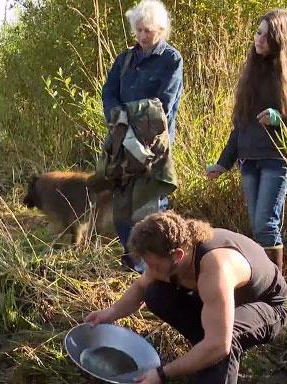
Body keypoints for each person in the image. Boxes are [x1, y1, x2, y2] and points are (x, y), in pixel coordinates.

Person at [85, 211, 287, 384]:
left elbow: (219, 345)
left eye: (154, 265)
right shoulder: (173, 258)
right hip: (221, 304)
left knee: (223, 344)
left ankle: (210, 373)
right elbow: (141, 286)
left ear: (177, 255)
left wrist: (163, 373)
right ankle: (204, 361)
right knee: (155, 292)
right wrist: (111, 313)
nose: (150, 269)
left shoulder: (215, 267)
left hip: (267, 306)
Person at [205, 9, 287, 271]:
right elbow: (240, 124)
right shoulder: (253, 70)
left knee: (265, 224)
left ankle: (274, 293)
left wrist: (280, 117)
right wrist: (223, 163)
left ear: (280, 39)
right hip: (249, 158)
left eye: (266, 36)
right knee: (257, 224)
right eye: (258, 33)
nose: (258, 39)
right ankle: (266, 287)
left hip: (277, 157)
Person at [101, 0, 183, 272]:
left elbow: (163, 105)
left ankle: (157, 272)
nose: (142, 36)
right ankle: (134, 266)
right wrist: (119, 120)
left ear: (160, 29)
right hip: (122, 147)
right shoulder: (124, 59)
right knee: (122, 211)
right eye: (138, 30)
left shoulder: (171, 60)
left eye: (147, 30)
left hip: (151, 148)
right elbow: (109, 93)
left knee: (149, 212)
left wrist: (128, 120)